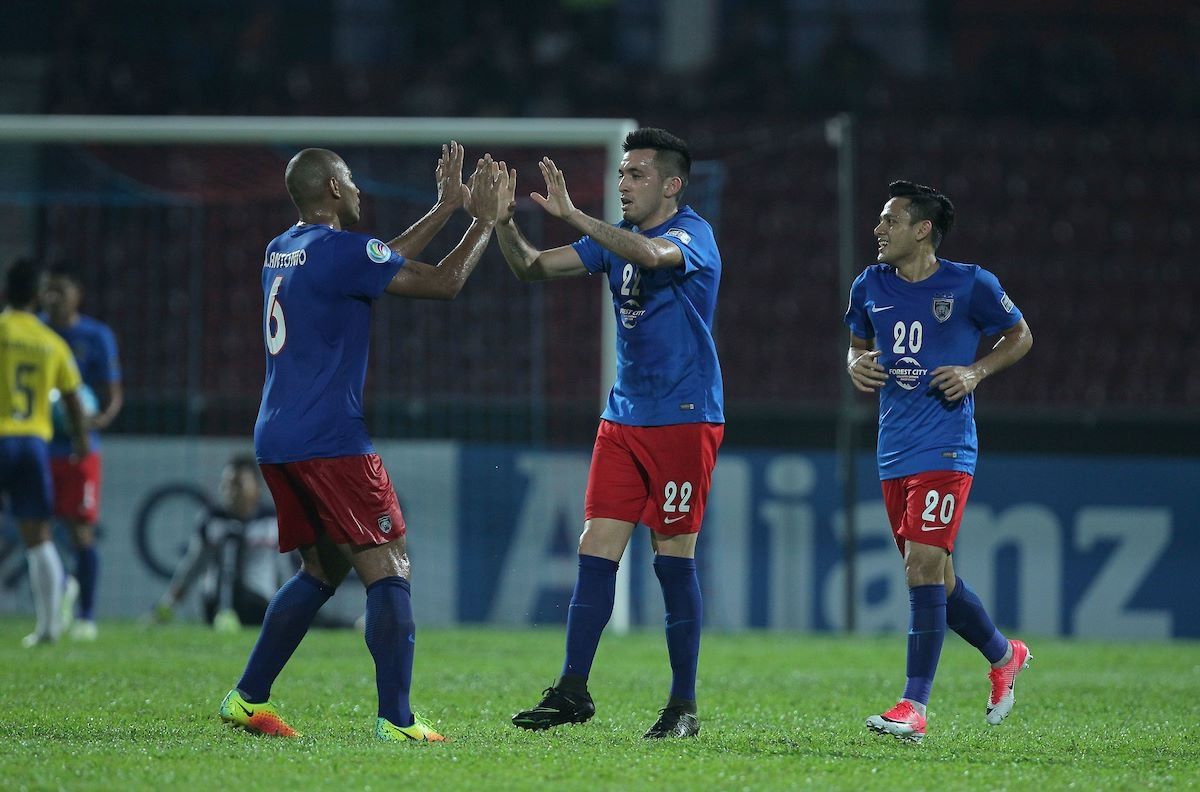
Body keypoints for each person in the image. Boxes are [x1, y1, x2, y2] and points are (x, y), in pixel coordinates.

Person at [218, 142, 504, 743]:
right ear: (330, 190)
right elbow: (445, 282)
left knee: (321, 570)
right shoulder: (342, 252)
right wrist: (484, 219)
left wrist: (444, 205)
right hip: (330, 438)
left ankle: (245, 700)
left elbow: (378, 258)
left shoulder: (282, 250)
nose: (356, 189)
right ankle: (397, 720)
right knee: (389, 564)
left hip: (277, 435)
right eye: (348, 180)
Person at [499, 128, 724, 739]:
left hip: (684, 417)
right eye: (622, 174)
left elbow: (652, 258)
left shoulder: (692, 235)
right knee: (595, 546)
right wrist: (498, 222)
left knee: (673, 556)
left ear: (672, 184)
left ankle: (683, 707)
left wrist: (574, 214)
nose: (623, 183)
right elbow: (532, 268)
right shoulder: (614, 241)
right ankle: (573, 688)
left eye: (637, 175)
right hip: (623, 418)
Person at [844, 180, 1035, 743]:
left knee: (922, 567)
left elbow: (1020, 335)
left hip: (947, 444)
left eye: (890, 220)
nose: (878, 229)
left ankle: (914, 705)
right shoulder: (869, 284)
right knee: (938, 578)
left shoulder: (971, 283)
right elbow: (857, 344)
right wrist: (855, 363)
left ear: (922, 229)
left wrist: (975, 372)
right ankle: (1005, 654)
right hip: (893, 448)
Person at [0, 258, 90, 647]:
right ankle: (50, 627)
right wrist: (82, 443)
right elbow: (73, 400)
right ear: (37, 297)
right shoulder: (51, 342)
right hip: (34, 444)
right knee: (39, 536)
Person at [41, 265, 124, 641]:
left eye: (60, 290)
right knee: (34, 527)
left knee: (80, 531)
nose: (53, 299)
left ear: (77, 293)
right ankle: (57, 596)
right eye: (48, 291)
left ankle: (86, 615)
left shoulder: (96, 335)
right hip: (39, 441)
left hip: (81, 448)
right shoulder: (37, 332)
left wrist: (101, 418)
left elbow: (112, 392)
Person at [153, 455, 297, 630]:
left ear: (256, 487)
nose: (230, 491)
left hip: (260, 602)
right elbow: (193, 566)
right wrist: (168, 605)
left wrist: (290, 610)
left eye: (238, 484)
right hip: (215, 603)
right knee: (230, 541)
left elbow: (284, 569)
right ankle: (225, 613)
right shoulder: (212, 519)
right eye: (226, 484)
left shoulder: (272, 520)